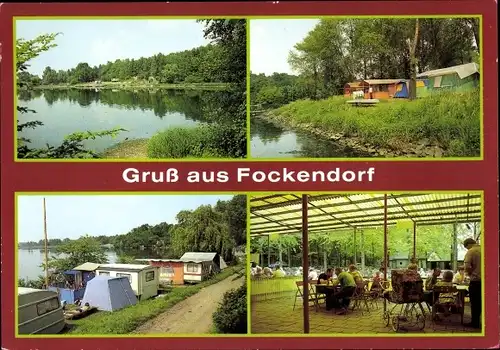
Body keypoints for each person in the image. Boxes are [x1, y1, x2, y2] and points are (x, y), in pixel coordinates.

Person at [463, 238, 481, 328]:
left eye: (466, 247)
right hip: (487, 281)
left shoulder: (471, 251)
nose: (467, 249)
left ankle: (475, 323)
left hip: (476, 281)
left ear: (468, 244)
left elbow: (467, 266)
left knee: (475, 303)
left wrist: (470, 274)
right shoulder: (484, 249)